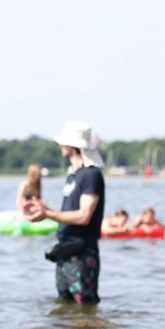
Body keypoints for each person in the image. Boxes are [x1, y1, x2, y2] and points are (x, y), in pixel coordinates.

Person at [24, 120, 106, 304]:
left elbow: (84, 216)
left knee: (85, 305)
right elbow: (68, 213)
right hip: (65, 250)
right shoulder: (73, 175)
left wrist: (48, 213)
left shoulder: (91, 175)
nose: (60, 145)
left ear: (71, 145)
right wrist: (41, 210)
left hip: (83, 252)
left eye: (63, 142)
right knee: (65, 304)